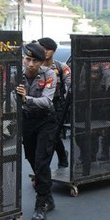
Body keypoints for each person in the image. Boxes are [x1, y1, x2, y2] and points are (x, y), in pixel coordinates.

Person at [16, 42, 57, 220]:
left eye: (35, 61)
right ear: (23, 58)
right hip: (27, 120)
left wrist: (26, 99)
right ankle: (48, 195)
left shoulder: (49, 75)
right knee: (32, 158)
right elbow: (8, 96)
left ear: (41, 62)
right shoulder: (15, 75)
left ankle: (40, 205)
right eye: (28, 59)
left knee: (41, 161)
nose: (30, 64)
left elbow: (47, 101)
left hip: (45, 121)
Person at [38, 37, 71, 168]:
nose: (45, 51)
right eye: (42, 48)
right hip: (37, 105)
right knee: (45, 136)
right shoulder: (34, 66)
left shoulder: (61, 67)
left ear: (53, 51)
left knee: (52, 134)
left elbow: (71, 85)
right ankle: (62, 154)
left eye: (48, 49)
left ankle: (47, 165)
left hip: (56, 105)